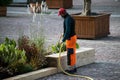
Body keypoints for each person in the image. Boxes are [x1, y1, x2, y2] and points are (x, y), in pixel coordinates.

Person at [58, 8, 77, 74]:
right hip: (73, 37)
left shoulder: (67, 20)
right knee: (73, 53)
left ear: (63, 14)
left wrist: (63, 40)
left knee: (70, 54)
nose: (60, 16)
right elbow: (69, 29)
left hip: (70, 39)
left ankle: (70, 70)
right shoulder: (69, 17)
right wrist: (64, 33)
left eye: (60, 14)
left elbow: (68, 31)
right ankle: (74, 68)